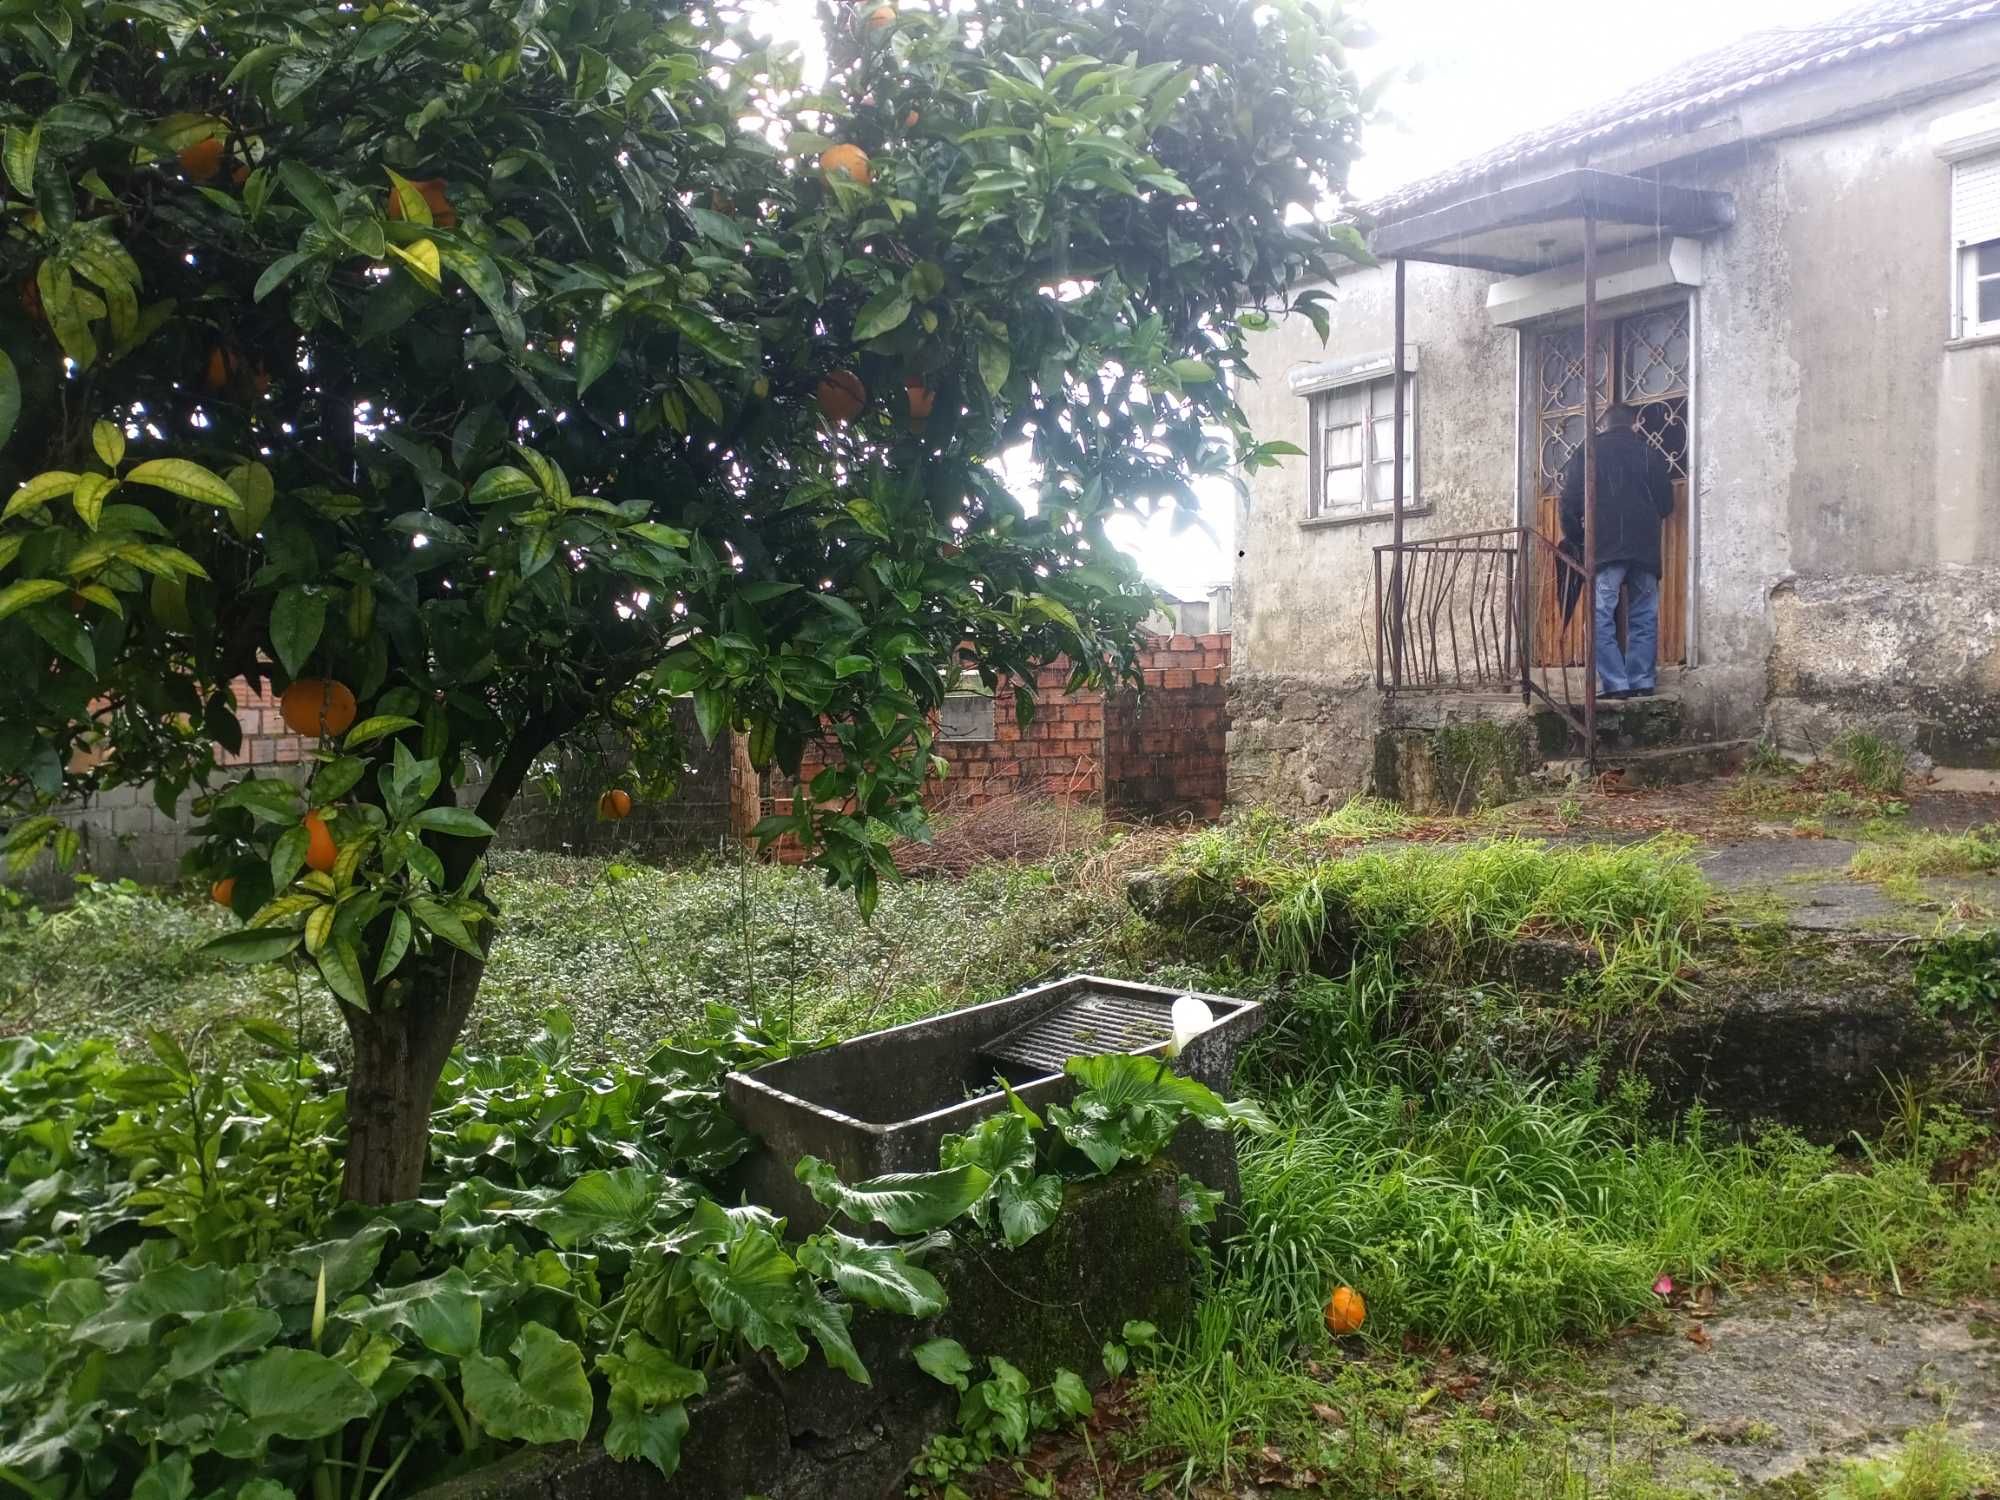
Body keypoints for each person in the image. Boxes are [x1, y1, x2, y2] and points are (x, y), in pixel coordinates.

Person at [1558, 402, 1676, 700]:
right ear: (1635, 423)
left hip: (1605, 547)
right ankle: (1641, 681)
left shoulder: (1589, 451)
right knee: (1644, 615)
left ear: (1603, 425)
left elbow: (1569, 501)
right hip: (1645, 548)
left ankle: (1616, 683)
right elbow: (1666, 504)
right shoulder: (1649, 453)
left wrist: (1580, 540)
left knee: (1599, 615)